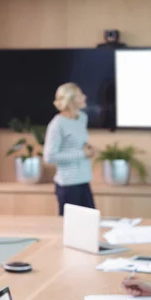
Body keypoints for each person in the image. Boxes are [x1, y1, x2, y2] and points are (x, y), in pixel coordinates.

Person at [44, 83, 97, 216]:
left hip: (84, 180)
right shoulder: (57, 124)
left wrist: (88, 149)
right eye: (80, 95)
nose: (85, 97)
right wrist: (82, 154)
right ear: (70, 99)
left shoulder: (82, 118)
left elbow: (75, 144)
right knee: (72, 230)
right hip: (68, 184)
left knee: (90, 224)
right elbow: (49, 156)